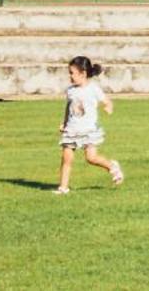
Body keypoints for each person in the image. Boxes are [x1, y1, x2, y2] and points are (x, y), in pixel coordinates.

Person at [55, 55, 123, 194]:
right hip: (72, 130)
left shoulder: (93, 89)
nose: (70, 76)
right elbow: (69, 108)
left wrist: (108, 107)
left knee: (91, 158)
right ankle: (63, 188)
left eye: (72, 73)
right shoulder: (70, 91)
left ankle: (112, 166)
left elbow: (107, 101)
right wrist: (65, 122)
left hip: (89, 130)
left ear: (83, 73)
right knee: (67, 158)